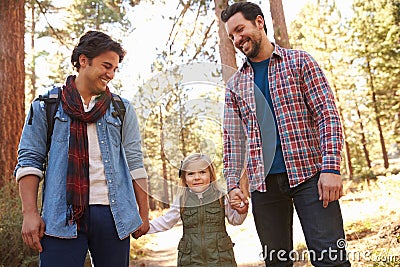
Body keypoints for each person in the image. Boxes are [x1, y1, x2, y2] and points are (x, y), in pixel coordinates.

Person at [221, 2, 351, 267]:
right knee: (277, 263)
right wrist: (234, 184)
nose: (236, 39)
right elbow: (233, 141)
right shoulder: (235, 85)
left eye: (240, 29)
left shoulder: (300, 61)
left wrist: (331, 168)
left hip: (311, 178)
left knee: (332, 260)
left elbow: (327, 115)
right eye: (231, 35)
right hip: (264, 187)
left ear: (259, 22)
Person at [14, 30, 149, 267]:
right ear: (83, 60)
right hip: (61, 215)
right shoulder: (47, 105)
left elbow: (135, 162)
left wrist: (144, 214)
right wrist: (30, 214)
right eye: (106, 66)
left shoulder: (121, 108)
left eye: (115, 69)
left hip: (113, 215)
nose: (111, 74)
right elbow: (29, 161)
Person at [146, 153, 248, 266]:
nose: (197, 177)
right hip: (190, 259)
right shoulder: (182, 200)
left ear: (211, 175)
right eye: (191, 174)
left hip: (221, 258)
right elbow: (166, 221)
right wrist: (144, 227)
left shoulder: (221, 197)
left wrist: (241, 211)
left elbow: (235, 220)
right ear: (184, 178)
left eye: (202, 172)